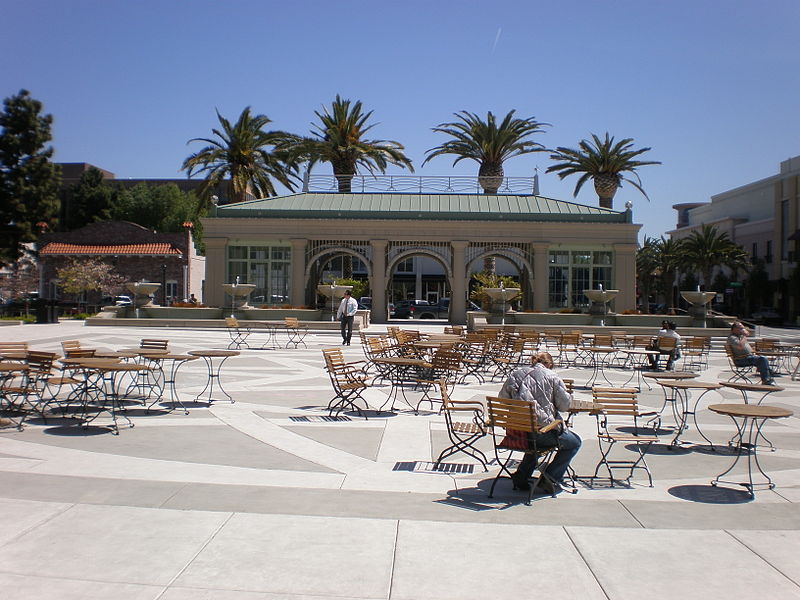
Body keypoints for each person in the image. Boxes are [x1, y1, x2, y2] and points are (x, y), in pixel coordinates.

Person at [499, 352, 581, 493]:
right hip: (539, 435)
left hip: (518, 434)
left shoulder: (516, 374)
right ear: (549, 364)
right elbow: (564, 406)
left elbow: (503, 399)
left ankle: (522, 476)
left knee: (536, 439)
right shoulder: (552, 376)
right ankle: (550, 477)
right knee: (574, 442)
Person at [727, 320, 775, 385]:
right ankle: (766, 379)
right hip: (740, 360)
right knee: (762, 359)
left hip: (748, 357)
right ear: (735, 329)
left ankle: (768, 375)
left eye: (743, 328)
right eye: (741, 328)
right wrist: (744, 336)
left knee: (763, 359)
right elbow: (740, 346)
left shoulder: (740, 337)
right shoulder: (732, 338)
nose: (743, 329)